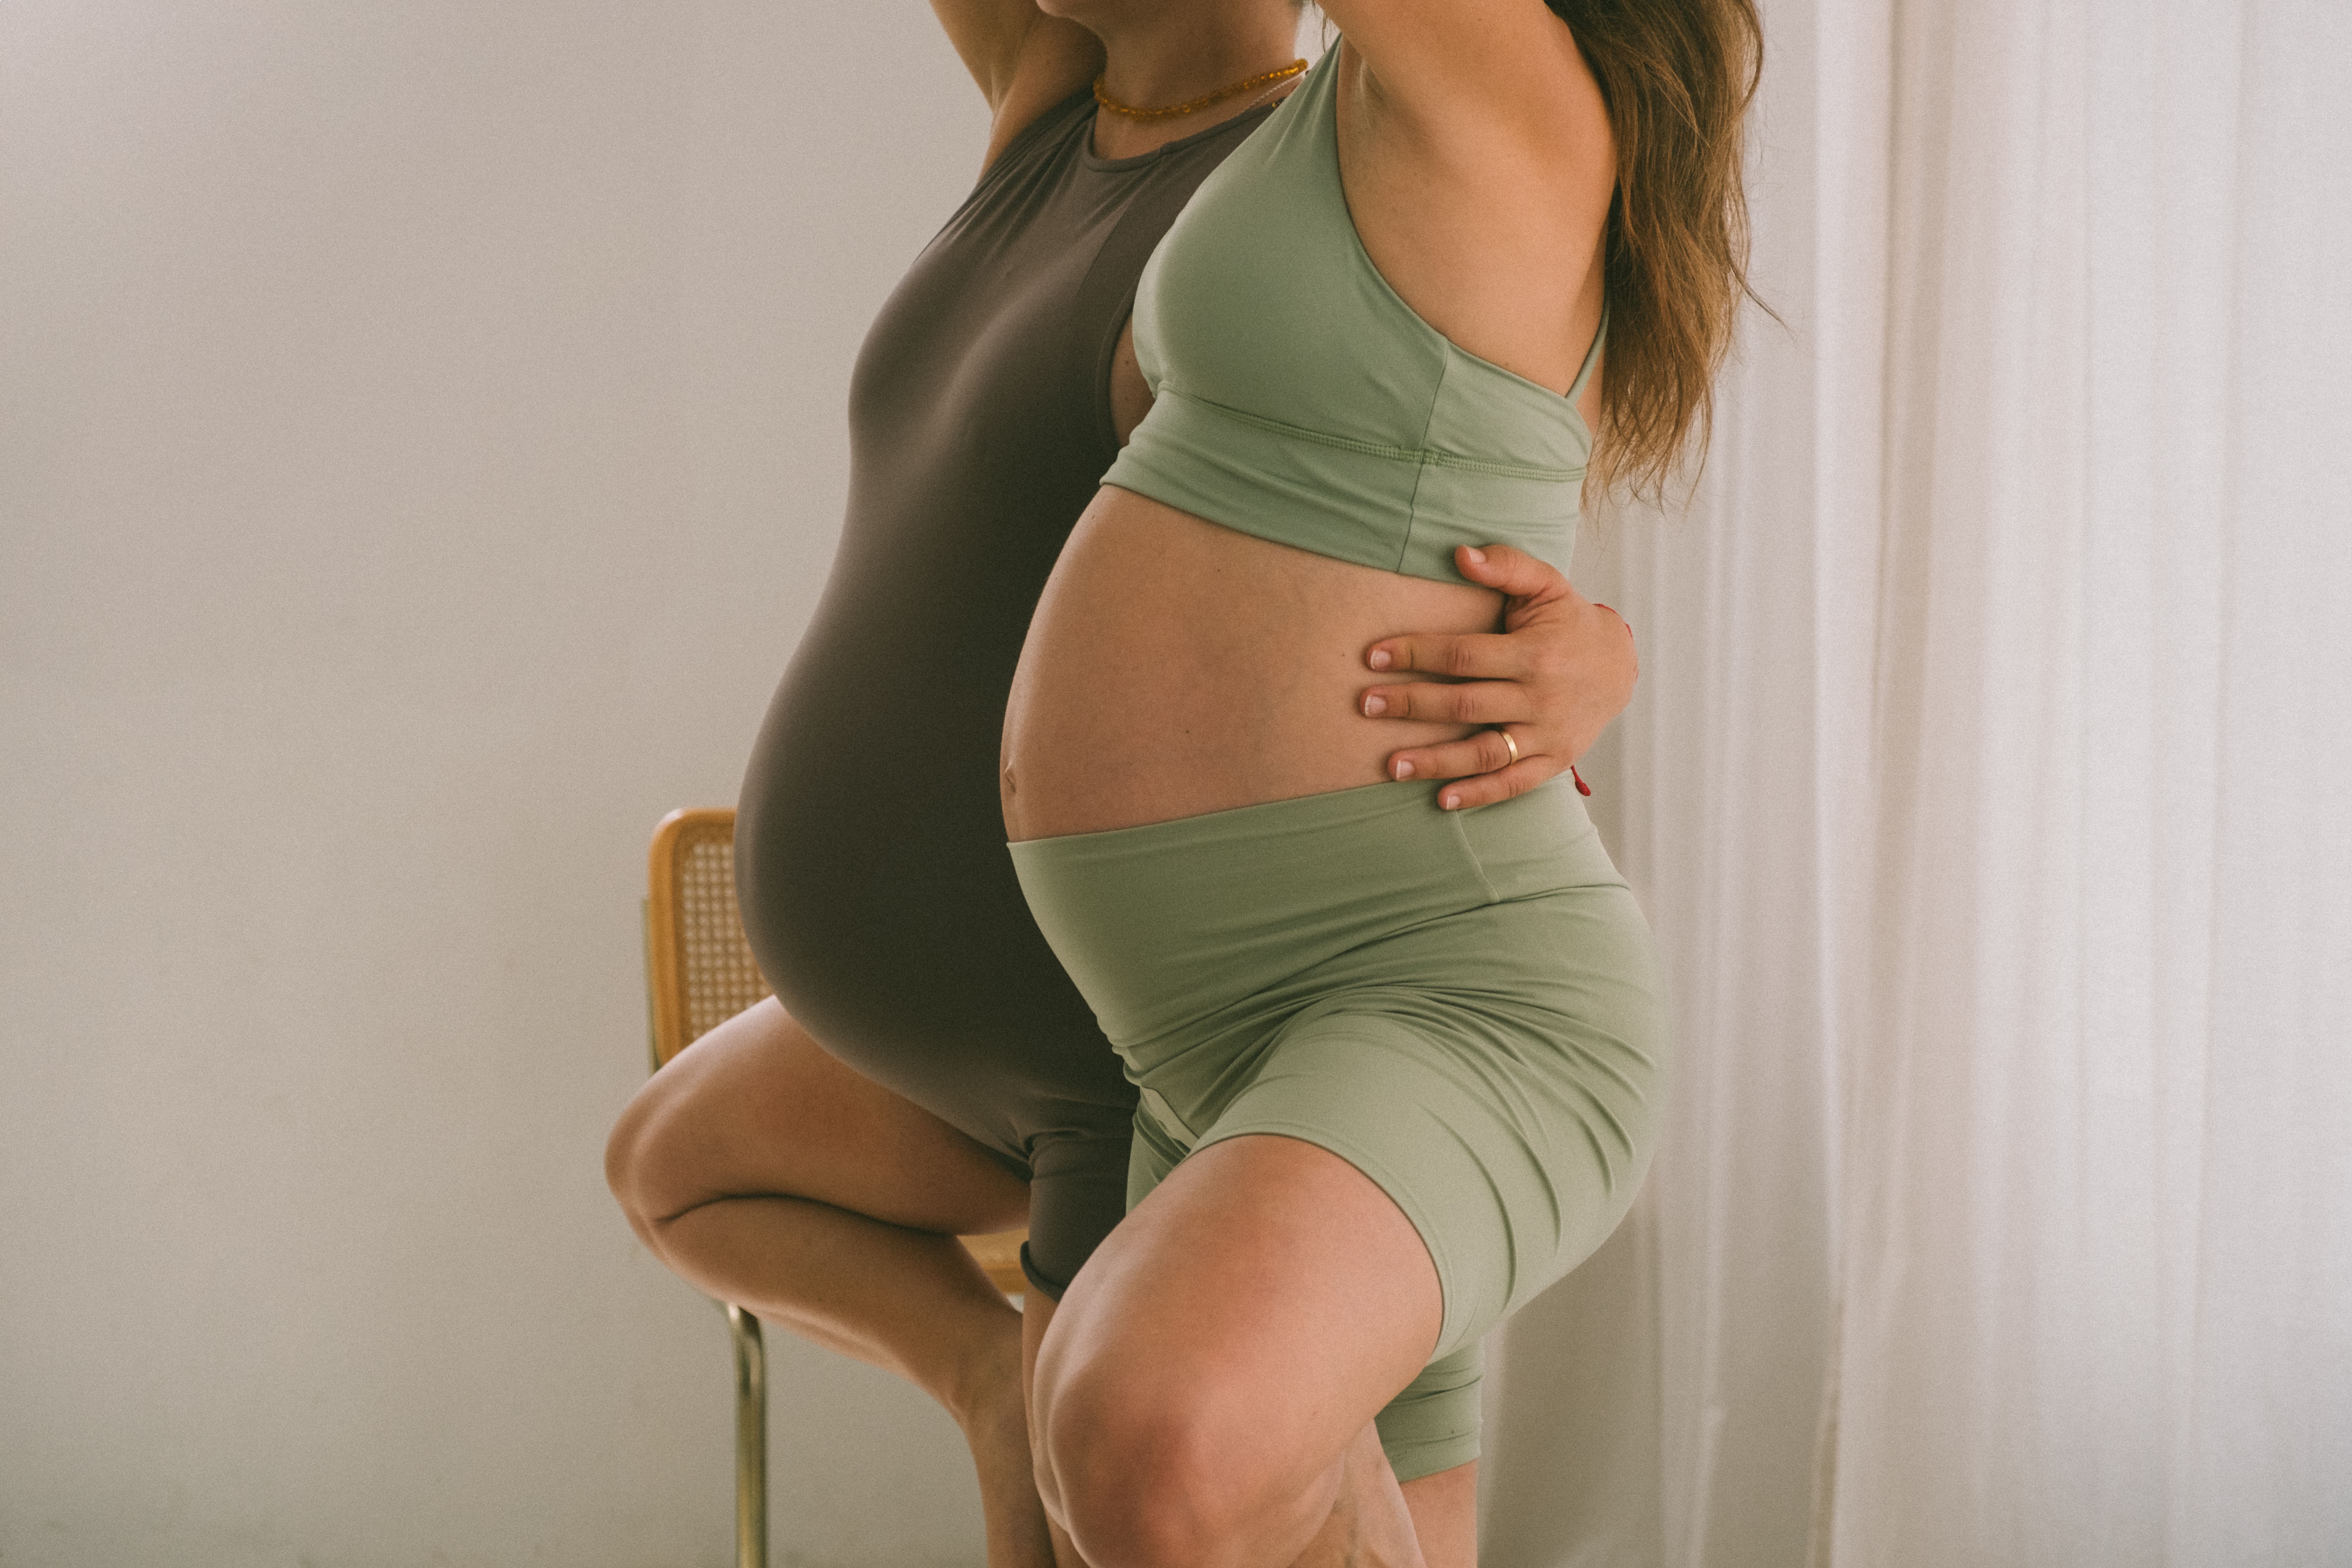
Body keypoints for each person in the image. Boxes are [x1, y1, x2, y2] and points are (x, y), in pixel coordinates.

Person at [603, 2, 1642, 1565]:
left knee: (1135, 1493)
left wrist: (1598, 647)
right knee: (677, 1163)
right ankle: (982, 1379)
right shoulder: (1048, 106)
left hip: (1128, 1036)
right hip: (1044, 1020)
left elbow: (1441, 500)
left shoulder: (1347, 167)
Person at [999, 0, 1760, 1563]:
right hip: (1206, 1041)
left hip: (1442, 988)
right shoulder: (1363, 104)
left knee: (1142, 1432)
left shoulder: (1509, 78)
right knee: (1167, 1480)